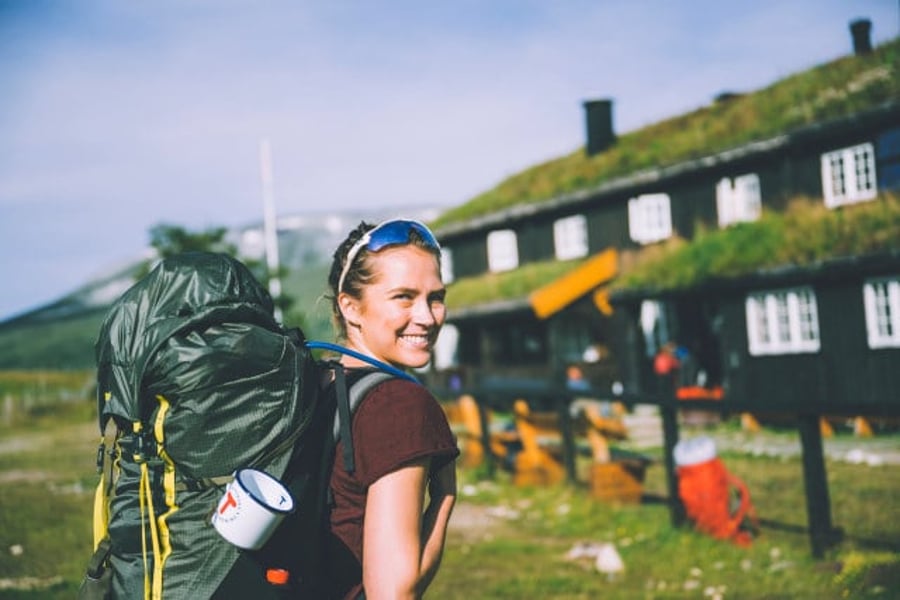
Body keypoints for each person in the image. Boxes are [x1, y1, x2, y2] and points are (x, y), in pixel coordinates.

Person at [323, 219, 460, 599]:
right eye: (404, 297)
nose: (428, 317)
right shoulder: (399, 405)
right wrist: (446, 495)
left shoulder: (322, 382)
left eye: (436, 297)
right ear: (351, 307)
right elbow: (393, 592)